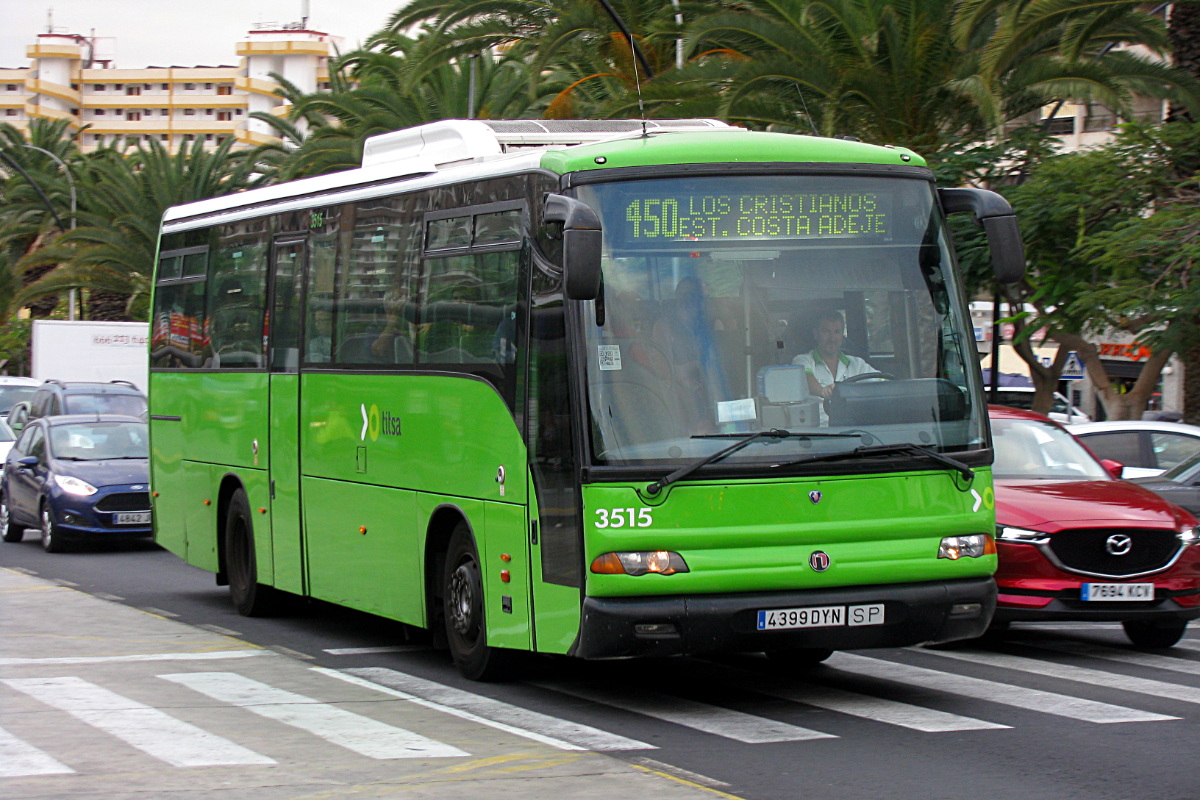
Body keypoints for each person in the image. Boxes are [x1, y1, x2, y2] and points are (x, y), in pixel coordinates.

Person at [791, 309, 876, 402]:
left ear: (842, 335)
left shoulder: (857, 364)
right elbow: (807, 377)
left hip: (852, 416)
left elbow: (882, 381)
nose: (832, 338)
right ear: (816, 334)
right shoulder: (802, 360)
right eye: (826, 331)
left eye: (837, 332)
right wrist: (822, 390)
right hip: (817, 416)